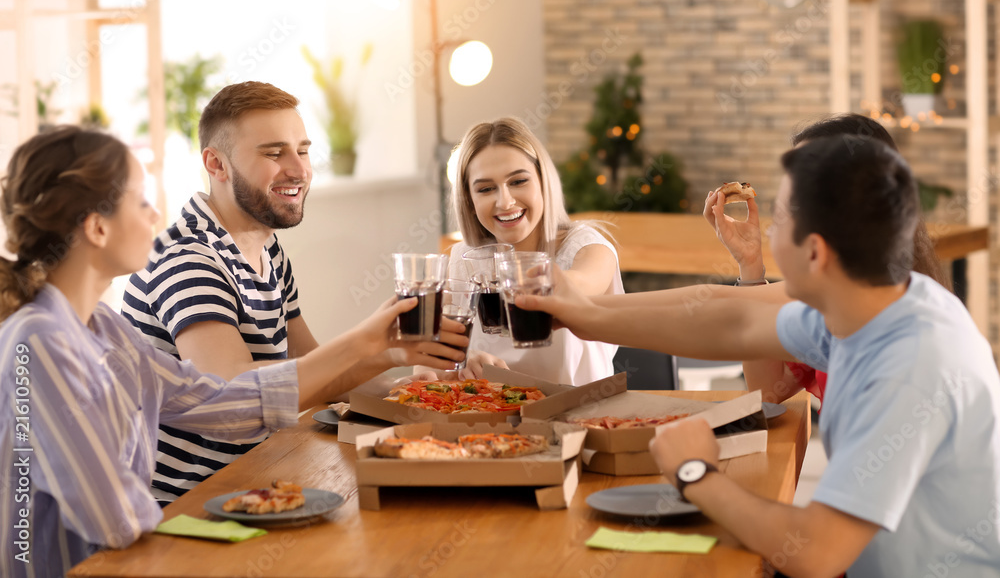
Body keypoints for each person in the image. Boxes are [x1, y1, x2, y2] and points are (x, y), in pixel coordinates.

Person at [518, 132, 1000, 576]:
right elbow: (730, 317)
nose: (767, 232)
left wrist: (695, 473)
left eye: (780, 218)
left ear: (815, 252)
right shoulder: (866, 305)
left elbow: (816, 551)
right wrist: (584, 312)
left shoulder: (910, 366)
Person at [0, 127, 460, 577]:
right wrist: (183, 508)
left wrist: (377, 345)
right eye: (140, 200)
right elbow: (112, 516)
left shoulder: (104, 329)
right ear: (97, 227)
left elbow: (220, 402)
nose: (155, 212)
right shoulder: (39, 343)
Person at [121, 82, 465, 503]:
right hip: (182, 509)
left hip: (255, 482)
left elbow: (311, 371)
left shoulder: (266, 247)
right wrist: (366, 342)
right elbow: (234, 400)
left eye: (302, 150)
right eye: (273, 153)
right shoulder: (188, 258)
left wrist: (410, 377)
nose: (299, 169)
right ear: (217, 164)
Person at [702, 113, 951, 407]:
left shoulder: (894, 337)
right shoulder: (837, 302)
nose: (774, 225)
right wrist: (750, 263)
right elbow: (769, 390)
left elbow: (717, 318)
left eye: (794, 201)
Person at [443, 116, 624, 385]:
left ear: (543, 182)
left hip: (580, 416)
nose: (504, 201)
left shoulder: (588, 247)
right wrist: (461, 367)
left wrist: (526, 281)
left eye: (518, 182)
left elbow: (579, 286)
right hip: (492, 417)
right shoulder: (464, 258)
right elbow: (432, 365)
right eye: (486, 188)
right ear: (469, 201)